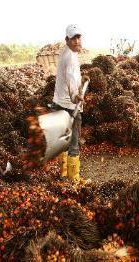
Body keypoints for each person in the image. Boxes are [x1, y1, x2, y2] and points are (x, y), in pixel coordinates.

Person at [53, 24, 88, 181]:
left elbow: (73, 77)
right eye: (73, 38)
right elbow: (70, 79)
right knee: (74, 142)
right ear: (66, 39)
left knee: (64, 140)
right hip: (69, 106)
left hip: (59, 103)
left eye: (78, 37)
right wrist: (76, 96)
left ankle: (64, 173)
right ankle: (74, 180)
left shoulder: (66, 53)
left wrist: (81, 81)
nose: (76, 41)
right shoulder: (70, 58)